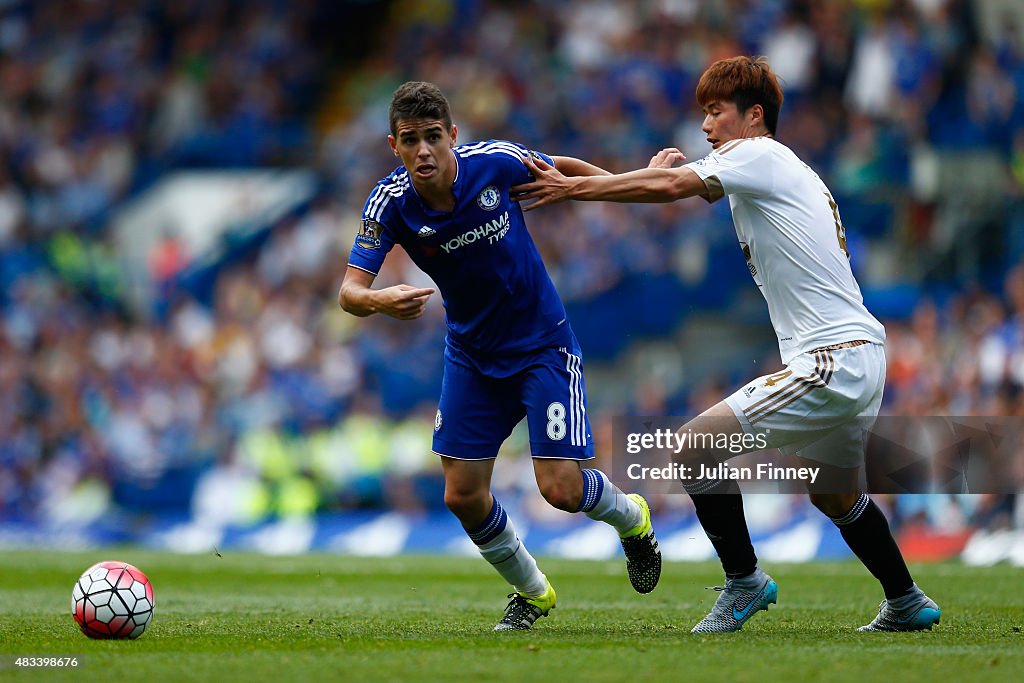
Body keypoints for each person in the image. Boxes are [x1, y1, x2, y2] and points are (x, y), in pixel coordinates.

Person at [512, 56, 941, 634]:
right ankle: (907, 600)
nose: (706, 125)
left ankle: (745, 581)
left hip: (830, 359)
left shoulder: (758, 154)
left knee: (693, 447)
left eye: (715, 111)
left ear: (754, 115)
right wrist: (597, 178)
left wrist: (575, 190)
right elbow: (670, 187)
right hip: (857, 353)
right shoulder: (767, 167)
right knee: (834, 494)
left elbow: (668, 186)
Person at [338, 81, 661, 631]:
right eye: (410, 140)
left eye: (433, 137)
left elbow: (560, 169)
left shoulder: (497, 163)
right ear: (393, 145)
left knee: (559, 489)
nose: (423, 151)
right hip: (472, 356)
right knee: (462, 495)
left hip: (542, 346)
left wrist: (635, 183)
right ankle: (533, 593)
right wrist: (378, 301)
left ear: (452, 137)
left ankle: (633, 519)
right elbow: (349, 292)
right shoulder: (390, 203)